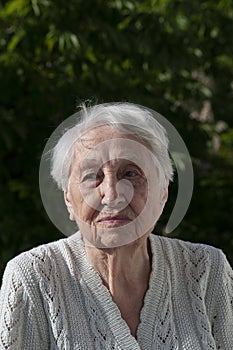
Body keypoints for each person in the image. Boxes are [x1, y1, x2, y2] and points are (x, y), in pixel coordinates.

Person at [0, 102, 232, 349]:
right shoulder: (32, 277)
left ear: (163, 192)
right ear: (68, 199)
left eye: (131, 173)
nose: (111, 195)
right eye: (91, 176)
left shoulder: (207, 269)